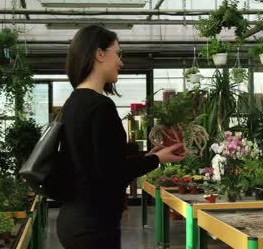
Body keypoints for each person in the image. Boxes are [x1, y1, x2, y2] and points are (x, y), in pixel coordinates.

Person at [56, 25, 185, 249]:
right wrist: (157, 160)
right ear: (99, 54)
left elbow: (98, 164)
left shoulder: (72, 103)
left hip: (74, 219)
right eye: (118, 53)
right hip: (94, 226)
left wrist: (148, 155)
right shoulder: (100, 106)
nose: (121, 62)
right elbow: (113, 173)